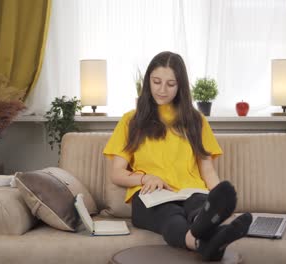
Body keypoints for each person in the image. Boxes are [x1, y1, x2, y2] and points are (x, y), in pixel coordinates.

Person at [103, 51, 252, 261]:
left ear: (180, 86)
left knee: (199, 209)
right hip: (151, 196)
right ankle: (207, 240)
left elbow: (207, 170)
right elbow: (117, 173)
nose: (162, 90)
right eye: (156, 82)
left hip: (192, 193)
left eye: (170, 84)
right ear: (148, 82)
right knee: (171, 217)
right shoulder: (131, 121)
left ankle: (206, 239)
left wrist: (220, 198)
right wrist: (146, 178)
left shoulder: (195, 120)